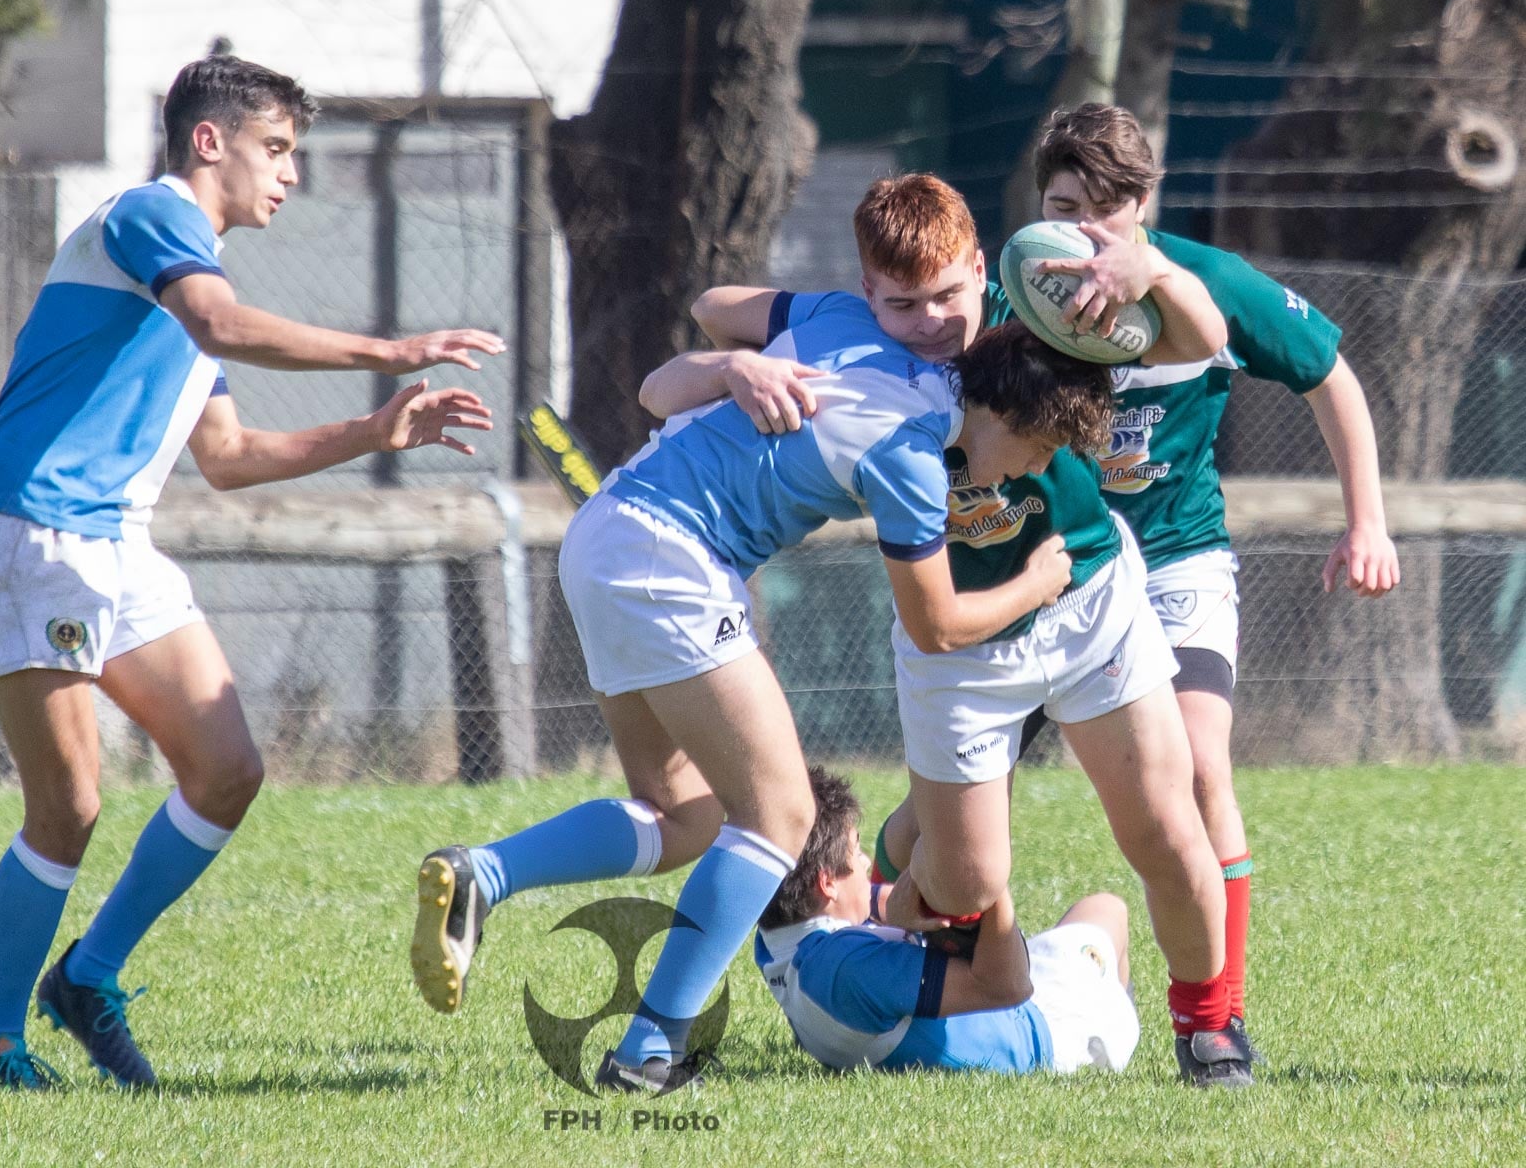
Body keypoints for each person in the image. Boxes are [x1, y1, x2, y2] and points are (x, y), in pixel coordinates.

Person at [0, 54, 500, 1090]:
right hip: (37, 535)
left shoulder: (190, 283)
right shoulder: (155, 218)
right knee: (68, 807)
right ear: (210, 141)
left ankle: (88, 977)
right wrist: (392, 349)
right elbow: (221, 323)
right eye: (277, 149)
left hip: (113, 543)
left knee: (228, 767)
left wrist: (377, 431)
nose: (289, 174)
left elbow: (233, 459)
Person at [412, 306, 1115, 1094]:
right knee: (781, 815)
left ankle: (486, 874)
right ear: (1008, 409)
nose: (1032, 469)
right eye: (1040, 448)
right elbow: (937, 626)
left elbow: (709, 311)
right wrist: (1037, 584)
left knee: (682, 815)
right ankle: (651, 1048)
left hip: (609, 530)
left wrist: (730, 366)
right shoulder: (911, 454)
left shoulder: (849, 322)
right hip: (673, 558)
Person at [656, 173, 1253, 1086]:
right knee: (970, 883)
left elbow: (1203, 340)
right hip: (963, 650)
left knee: (1168, 834)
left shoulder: (1035, 309)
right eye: (903, 302)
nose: (933, 320)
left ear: (982, 268)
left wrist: (1150, 270)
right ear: (867, 294)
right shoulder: (848, 333)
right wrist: (737, 366)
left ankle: (1208, 1032)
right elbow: (709, 309)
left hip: (1088, 600)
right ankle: (887, 903)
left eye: (948, 293)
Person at [1026, 101, 1401, 1055]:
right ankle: (883, 934)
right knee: (952, 787)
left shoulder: (1213, 283)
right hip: (1057, 566)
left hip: (1179, 561)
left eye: (1103, 212)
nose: (1081, 230)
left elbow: (1334, 378)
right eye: (1063, 204)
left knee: (1198, 771)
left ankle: (1214, 1020)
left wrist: (1368, 521)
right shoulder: (1022, 287)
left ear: (1144, 204)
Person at [755, 768, 1139, 1076]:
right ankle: (1113, 1029)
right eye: (856, 852)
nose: (865, 863)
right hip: (1047, 1034)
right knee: (1109, 910)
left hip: (1014, 1000)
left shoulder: (778, 934)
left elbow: (873, 902)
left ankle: (1114, 1010)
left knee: (1096, 910)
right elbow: (1008, 988)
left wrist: (905, 905)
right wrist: (986, 885)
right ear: (826, 883)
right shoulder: (850, 970)